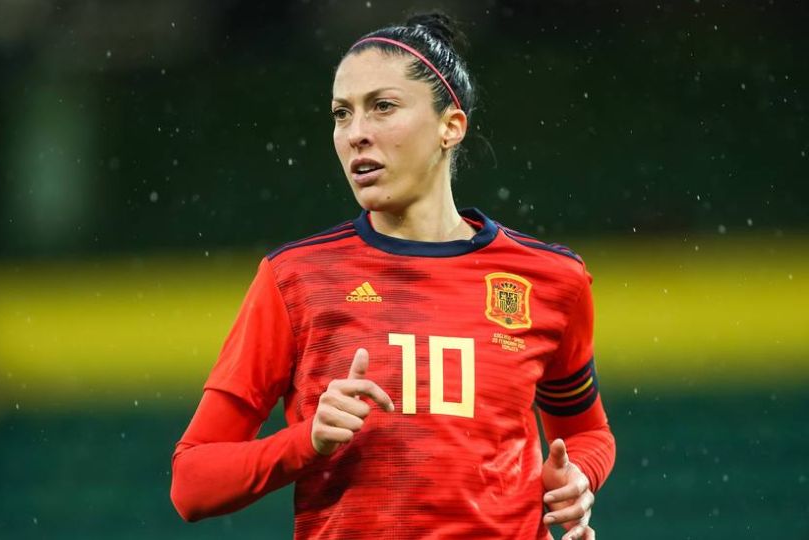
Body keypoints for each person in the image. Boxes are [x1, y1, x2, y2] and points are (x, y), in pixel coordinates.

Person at [170, 12, 615, 540]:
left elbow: (588, 433)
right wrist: (307, 440)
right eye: (342, 114)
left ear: (450, 126)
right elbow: (191, 484)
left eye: (382, 107)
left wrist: (577, 479)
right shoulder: (296, 280)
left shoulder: (550, 279)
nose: (356, 134)